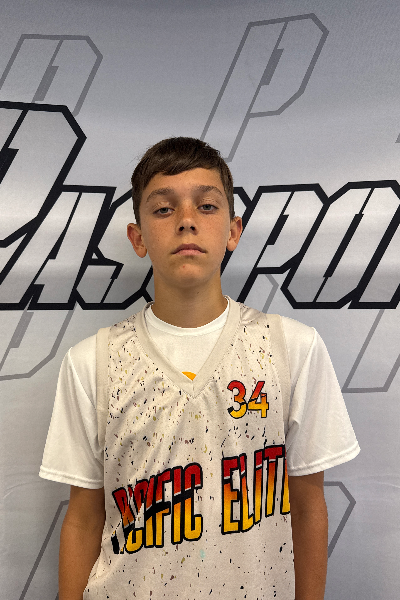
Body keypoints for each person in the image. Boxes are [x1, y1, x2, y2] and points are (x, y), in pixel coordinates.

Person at [40, 137, 360, 600]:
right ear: (138, 238)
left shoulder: (292, 347)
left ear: (233, 231)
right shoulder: (92, 361)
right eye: (163, 209)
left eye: (207, 206)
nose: (187, 220)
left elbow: (308, 506)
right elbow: (85, 517)